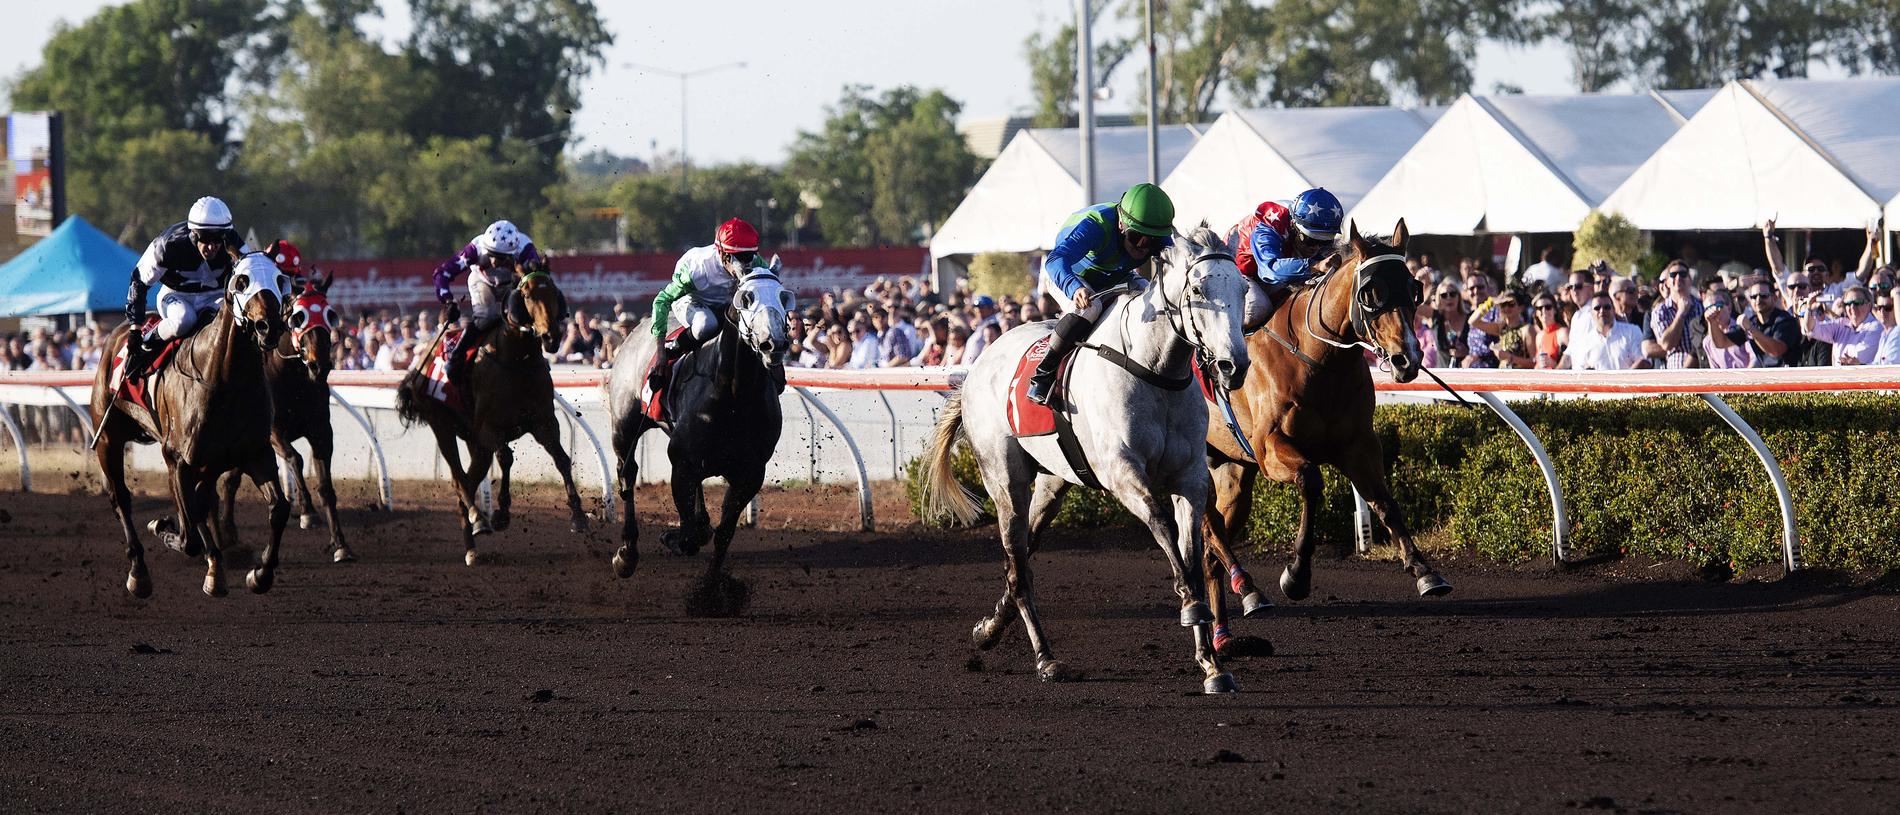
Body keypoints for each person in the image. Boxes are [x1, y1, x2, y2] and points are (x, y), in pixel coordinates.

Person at [1027, 182, 1177, 404]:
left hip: (1114, 276)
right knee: (1090, 309)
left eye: (1151, 241)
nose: (1144, 246)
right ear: (1121, 223)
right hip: (1067, 274)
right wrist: (1074, 287)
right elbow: (1056, 260)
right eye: (1137, 237)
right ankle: (1043, 375)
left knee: (1152, 297)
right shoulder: (1097, 225)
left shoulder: (1158, 234)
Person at [123, 197, 253, 374]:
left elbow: (252, 277)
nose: (212, 246)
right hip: (176, 295)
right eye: (206, 237)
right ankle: (147, 343)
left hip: (215, 296)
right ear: (193, 232)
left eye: (218, 238)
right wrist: (135, 330)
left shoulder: (233, 243)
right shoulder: (168, 244)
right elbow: (139, 280)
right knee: (184, 319)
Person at [647, 218, 769, 392]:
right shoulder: (696, 269)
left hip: (728, 305)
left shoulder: (756, 263)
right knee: (706, 324)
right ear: (723, 254)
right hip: (694, 301)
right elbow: (661, 301)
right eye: (741, 258)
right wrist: (659, 349)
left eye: (750, 256)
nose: (747, 264)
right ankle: (672, 349)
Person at [433, 219, 541, 383]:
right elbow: (442, 273)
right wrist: (448, 301)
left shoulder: (526, 249)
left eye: (499, 257)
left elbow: (538, 279)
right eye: (490, 255)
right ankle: (457, 356)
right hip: (482, 281)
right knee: (487, 316)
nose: (493, 262)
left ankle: (535, 356)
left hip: (512, 282)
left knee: (521, 316)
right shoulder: (474, 249)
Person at [1229, 187, 1345, 329]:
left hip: (1270, 273)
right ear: (1294, 226)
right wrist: (1315, 266)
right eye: (1310, 240)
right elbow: (1270, 270)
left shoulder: (1305, 225)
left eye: (1325, 241)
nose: (1317, 247)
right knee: (1257, 308)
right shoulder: (1269, 224)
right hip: (1237, 273)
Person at [1713, 277, 1802, 367]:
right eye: (1754, 297)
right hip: (1767, 377)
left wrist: (1751, 329)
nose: (1758, 300)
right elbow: (1721, 343)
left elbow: (1776, 351)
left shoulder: (1786, 321)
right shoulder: (1752, 321)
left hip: (1790, 376)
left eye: (1763, 295)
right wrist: (1711, 321)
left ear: (1774, 298)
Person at [1560, 292, 1648, 370]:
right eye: (1597, 308)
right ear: (1591, 312)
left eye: (1607, 307)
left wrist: (1621, 383)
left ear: (1614, 310)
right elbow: (1580, 371)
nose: (1602, 311)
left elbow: (1644, 361)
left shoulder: (1632, 331)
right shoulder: (1584, 341)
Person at [1644, 260, 1704, 369]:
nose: (1678, 277)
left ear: (1690, 280)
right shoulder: (1660, 311)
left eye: (1683, 274)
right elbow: (1666, 344)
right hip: (1677, 370)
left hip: (1703, 368)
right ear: (1667, 282)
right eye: (1673, 275)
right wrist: (1681, 313)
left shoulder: (1702, 306)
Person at [1802, 286, 1884, 364]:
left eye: (1858, 302)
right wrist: (1810, 308)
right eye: (1848, 303)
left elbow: (1858, 357)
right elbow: (1811, 329)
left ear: (1869, 305)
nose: (1852, 307)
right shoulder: (1841, 324)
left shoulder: (1876, 327)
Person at [1529, 294, 1567, 369]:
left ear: (1555, 310)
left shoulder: (1563, 332)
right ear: (1536, 313)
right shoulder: (1539, 336)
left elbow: (1574, 361)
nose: (1544, 311)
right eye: (1539, 308)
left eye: (1548, 307)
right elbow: (1537, 366)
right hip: (1542, 379)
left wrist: (1554, 364)